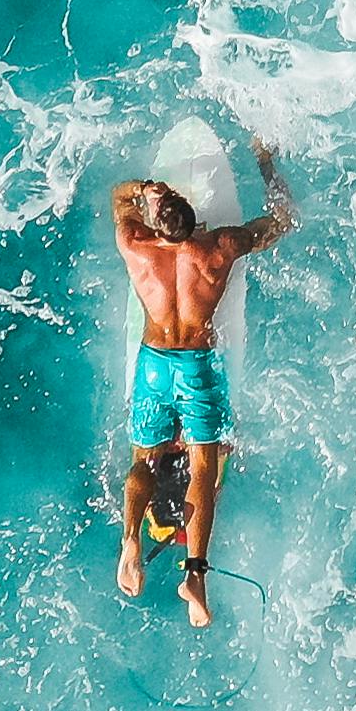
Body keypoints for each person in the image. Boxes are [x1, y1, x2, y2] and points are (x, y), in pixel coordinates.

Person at [112, 142, 294, 627]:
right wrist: (266, 163)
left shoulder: (135, 245)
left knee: (143, 459)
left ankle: (130, 534)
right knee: (202, 466)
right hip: (197, 363)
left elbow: (118, 199)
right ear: (195, 222)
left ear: (156, 223)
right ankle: (195, 573)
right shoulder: (219, 248)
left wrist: (144, 191)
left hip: (153, 362)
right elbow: (281, 221)